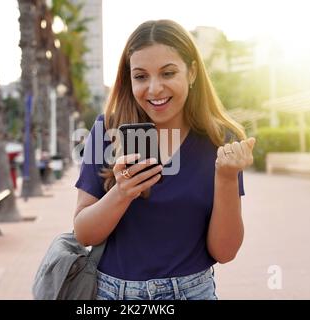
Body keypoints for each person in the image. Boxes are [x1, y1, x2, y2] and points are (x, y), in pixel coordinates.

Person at [74, 19, 255, 300]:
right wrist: (121, 193)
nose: (154, 89)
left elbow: (225, 252)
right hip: (113, 294)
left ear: (192, 72)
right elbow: (84, 234)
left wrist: (227, 177)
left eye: (168, 73)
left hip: (193, 293)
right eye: (141, 76)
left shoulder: (220, 139)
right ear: (129, 79)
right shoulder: (106, 131)